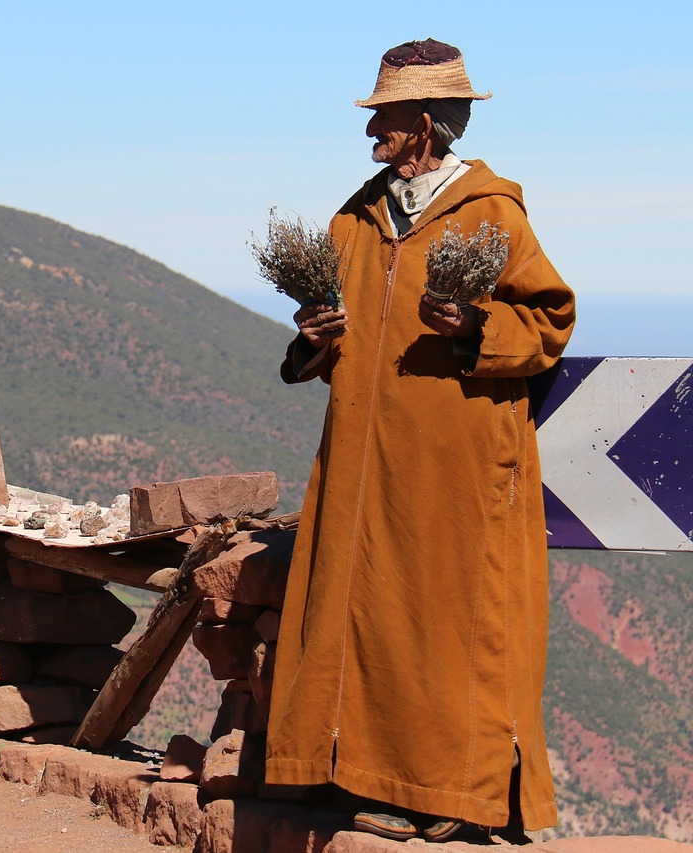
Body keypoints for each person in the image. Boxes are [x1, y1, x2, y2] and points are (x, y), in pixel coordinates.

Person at [263, 38, 575, 842]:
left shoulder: (491, 213)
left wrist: (476, 328)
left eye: (391, 118)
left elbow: (549, 321)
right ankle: (352, 770)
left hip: (458, 463)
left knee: (442, 618)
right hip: (363, 461)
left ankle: (446, 791)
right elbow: (325, 348)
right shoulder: (356, 219)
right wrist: (312, 335)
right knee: (360, 611)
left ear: (430, 122)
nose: (376, 133)